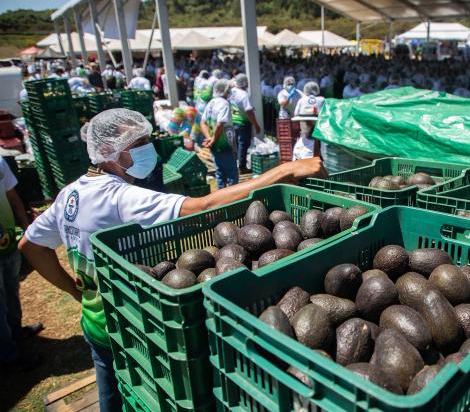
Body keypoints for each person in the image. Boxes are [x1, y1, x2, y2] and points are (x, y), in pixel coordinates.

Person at [18, 109, 326, 412]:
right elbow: (202, 205)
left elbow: (31, 246)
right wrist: (283, 171)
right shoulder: (120, 197)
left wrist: (76, 291)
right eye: (137, 145)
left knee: (112, 389)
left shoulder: (69, 194)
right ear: (109, 153)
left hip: (96, 322)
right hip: (135, 324)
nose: (147, 150)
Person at [0, 157, 43, 372]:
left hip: (6, 241)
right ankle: (8, 354)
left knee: (11, 290)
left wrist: (27, 227)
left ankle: (15, 332)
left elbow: (12, 196)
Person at [201, 80, 238, 189]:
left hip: (214, 145)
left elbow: (202, 123)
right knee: (232, 174)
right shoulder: (224, 104)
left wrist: (210, 138)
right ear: (225, 90)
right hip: (225, 144)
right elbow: (220, 124)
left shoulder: (211, 103)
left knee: (220, 172)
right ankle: (233, 199)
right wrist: (213, 139)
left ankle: (220, 198)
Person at [229, 73, 261, 174]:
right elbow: (249, 111)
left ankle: (238, 164)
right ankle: (242, 167)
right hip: (243, 123)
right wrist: (256, 125)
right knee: (243, 145)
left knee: (238, 145)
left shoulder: (232, 91)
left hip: (233, 122)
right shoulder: (244, 95)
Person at [292, 82, 325, 161]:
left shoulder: (302, 100)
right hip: (319, 132)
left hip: (307, 134)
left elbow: (296, 114)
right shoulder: (322, 99)